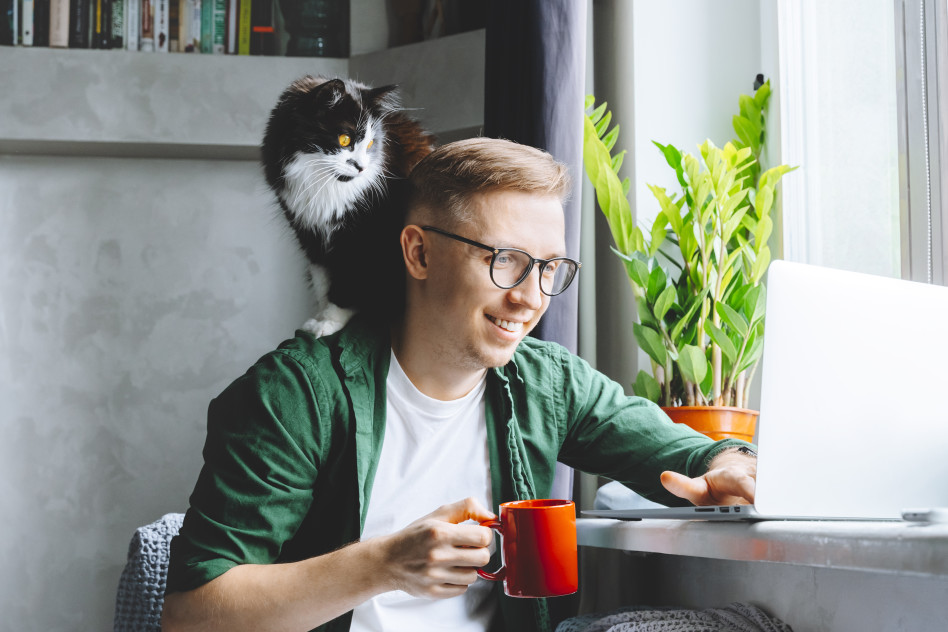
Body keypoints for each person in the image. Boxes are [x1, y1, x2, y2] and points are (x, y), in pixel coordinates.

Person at [161, 138, 758, 632]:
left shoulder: (547, 383)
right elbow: (190, 613)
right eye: (504, 260)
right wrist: (383, 565)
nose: (530, 297)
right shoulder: (296, 395)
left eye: (550, 268)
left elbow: (688, 452)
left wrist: (731, 464)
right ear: (418, 253)